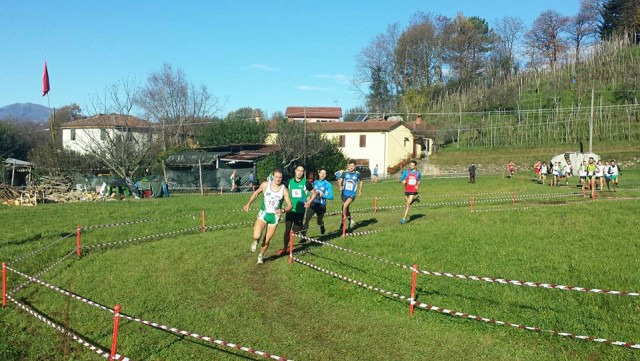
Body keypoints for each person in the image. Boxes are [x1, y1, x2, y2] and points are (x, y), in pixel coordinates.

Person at [243, 169, 292, 264]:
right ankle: (256, 241)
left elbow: (290, 205)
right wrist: (248, 204)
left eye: (280, 177)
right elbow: (256, 193)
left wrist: (282, 210)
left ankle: (260, 256)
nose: (278, 179)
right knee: (256, 235)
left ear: (282, 178)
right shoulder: (266, 185)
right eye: (276, 177)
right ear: (272, 176)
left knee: (267, 240)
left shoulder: (284, 190)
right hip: (263, 214)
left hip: (274, 217)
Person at [278, 165, 315, 255]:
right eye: (298, 170)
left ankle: (301, 228)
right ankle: (285, 248)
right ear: (295, 171)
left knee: (294, 231)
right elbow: (284, 192)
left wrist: (308, 202)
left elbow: (314, 193)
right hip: (290, 210)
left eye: (302, 171)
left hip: (300, 211)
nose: (299, 172)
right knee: (287, 231)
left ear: (303, 172)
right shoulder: (289, 182)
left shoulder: (306, 182)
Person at [303, 167, 334, 236]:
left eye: (324, 173)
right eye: (321, 173)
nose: (323, 175)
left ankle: (321, 225)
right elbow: (311, 192)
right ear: (318, 174)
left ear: (326, 175)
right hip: (313, 204)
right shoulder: (314, 183)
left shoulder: (328, 184)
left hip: (321, 205)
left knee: (319, 221)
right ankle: (303, 237)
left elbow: (331, 197)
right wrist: (309, 196)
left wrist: (323, 195)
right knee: (307, 219)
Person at [337, 159, 363, 233]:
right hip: (344, 194)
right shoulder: (345, 173)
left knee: (344, 206)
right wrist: (340, 186)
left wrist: (360, 190)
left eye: (353, 165)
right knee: (346, 209)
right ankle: (350, 220)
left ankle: (343, 222)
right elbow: (340, 180)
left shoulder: (357, 174)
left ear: (355, 166)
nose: (351, 167)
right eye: (350, 165)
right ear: (348, 166)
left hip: (352, 195)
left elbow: (361, 181)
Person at [400, 160, 422, 224]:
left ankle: (403, 218)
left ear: (415, 166)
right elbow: (401, 179)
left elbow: (419, 180)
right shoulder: (406, 172)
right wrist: (402, 181)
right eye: (410, 165)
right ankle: (416, 199)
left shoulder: (418, 173)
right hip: (407, 190)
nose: (411, 166)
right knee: (408, 203)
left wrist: (417, 185)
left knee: (408, 204)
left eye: (412, 165)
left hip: (413, 190)